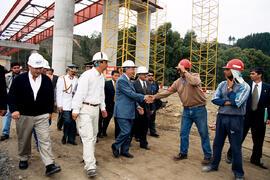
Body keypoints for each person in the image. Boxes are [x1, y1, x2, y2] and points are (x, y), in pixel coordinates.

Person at [8, 52, 61, 176]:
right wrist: (14, 109)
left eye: (40, 68)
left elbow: (49, 97)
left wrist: (49, 111)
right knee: (24, 138)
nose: (38, 70)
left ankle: (49, 164)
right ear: (29, 66)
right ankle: (23, 158)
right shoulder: (19, 80)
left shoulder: (46, 81)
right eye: (36, 68)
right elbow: (12, 96)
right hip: (24, 115)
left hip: (41, 115)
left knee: (44, 139)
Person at [153, 59, 212, 165]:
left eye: (179, 69)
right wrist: (154, 97)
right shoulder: (178, 82)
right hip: (186, 110)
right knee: (183, 133)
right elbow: (168, 92)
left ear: (185, 69)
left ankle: (208, 155)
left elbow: (195, 82)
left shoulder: (195, 76)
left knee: (203, 133)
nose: (178, 71)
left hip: (199, 109)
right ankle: (183, 153)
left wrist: (185, 72)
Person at [202, 59, 250, 180]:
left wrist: (230, 90)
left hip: (236, 119)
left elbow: (237, 102)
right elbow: (214, 99)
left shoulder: (245, 86)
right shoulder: (222, 84)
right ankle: (214, 165)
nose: (225, 71)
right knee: (217, 143)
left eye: (227, 69)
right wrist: (228, 101)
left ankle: (239, 173)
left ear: (235, 71)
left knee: (235, 147)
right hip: (222, 117)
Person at [71, 52, 109, 178]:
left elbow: (101, 95)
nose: (107, 65)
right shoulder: (87, 76)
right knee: (87, 137)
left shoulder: (101, 77)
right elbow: (79, 93)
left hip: (95, 109)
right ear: (98, 62)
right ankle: (90, 166)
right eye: (105, 62)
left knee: (93, 136)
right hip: (85, 109)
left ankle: (88, 157)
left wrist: (103, 108)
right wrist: (75, 110)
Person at [226, 67, 270, 169]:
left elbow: (269, 103)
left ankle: (256, 159)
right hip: (245, 116)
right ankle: (230, 155)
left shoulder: (267, 88)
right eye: (250, 73)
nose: (250, 75)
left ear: (259, 75)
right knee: (238, 137)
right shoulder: (246, 86)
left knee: (258, 140)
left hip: (260, 118)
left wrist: (269, 117)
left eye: (253, 73)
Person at [111, 60, 152, 159]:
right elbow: (130, 94)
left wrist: (138, 106)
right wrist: (143, 97)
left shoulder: (129, 80)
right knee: (126, 130)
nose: (134, 71)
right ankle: (115, 145)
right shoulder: (121, 80)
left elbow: (131, 97)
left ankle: (124, 151)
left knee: (129, 133)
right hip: (122, 112)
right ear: (126, 69)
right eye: (132, 69)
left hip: (129, 111)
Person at [56, 64, 79, 145]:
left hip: (73, 104)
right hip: (65, 103)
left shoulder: (76, 80)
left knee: (73, 122)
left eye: (75, 72)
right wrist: (59, 105)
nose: (73, 73)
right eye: (72, 71)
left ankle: (71, 139)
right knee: (67, 121)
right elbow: (59, 92)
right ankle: (64, 136)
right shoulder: (62, 79)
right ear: (68, 71)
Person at [133, 66, 153, 150]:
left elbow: (150, 97)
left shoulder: (148, 83)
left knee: (145, 126)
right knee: (136, 125)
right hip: (137, 109)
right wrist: (137, 107)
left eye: (146, 74)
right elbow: (133, 97)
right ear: (139, 75)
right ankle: (129, 141)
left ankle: (143, 143)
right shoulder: (134, 84)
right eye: (144, 74)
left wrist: (151, 108)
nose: (146, 75)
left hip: (147, 109)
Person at [1, 62, 21, 141]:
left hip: (20, 100)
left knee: (20, 117)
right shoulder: (7, 76)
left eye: (18, 67)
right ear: (12, 69)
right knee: (7, 115)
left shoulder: (23, 77)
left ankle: (21, 133)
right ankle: (5, 133)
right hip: (10, 98)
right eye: (15, 68)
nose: (16, 69)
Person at [98, 70, 120, 138]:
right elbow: (102, 94)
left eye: (118, 76)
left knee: (108, 119)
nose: (117, 77)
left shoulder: (120, 84)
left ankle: (104, 131)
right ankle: (99, 132)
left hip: (115, 105)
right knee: (101, 119)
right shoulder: (107, 83)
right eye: (115, 76)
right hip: (106, 104)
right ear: (112, 76)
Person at [147, 70, 160, 137]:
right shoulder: (145, 83)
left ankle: (152, 132)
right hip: (146, 103)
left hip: (153, 103)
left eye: (152, 75)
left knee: (152, 118)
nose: (151, 77)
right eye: (149, 75)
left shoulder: (155, 83)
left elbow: (157, 92)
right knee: (144, 118)